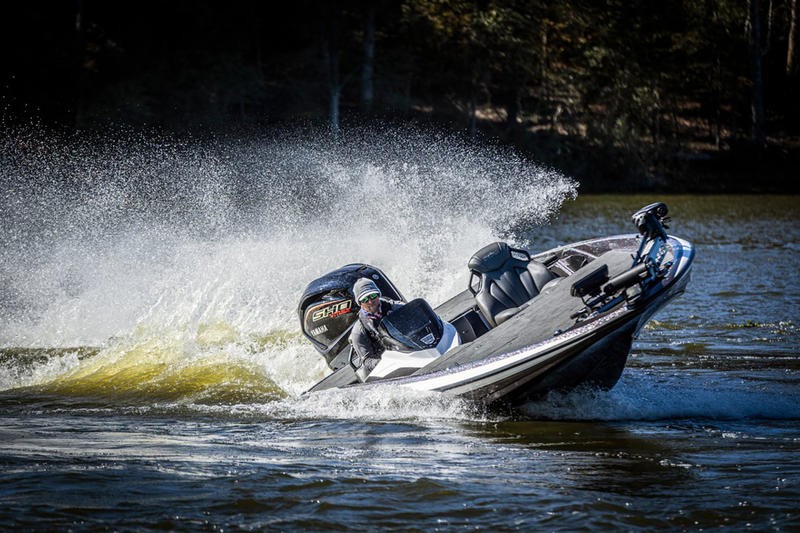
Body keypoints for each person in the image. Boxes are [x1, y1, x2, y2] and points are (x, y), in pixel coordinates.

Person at [349, 277, 404, 381]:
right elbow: (367, 360)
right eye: (365, 299)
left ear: (378, 295)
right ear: (360, 303)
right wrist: (387, 362)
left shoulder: (398, 307)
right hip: (388, 366)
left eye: (372, 295)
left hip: (408, 351)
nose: (370, 301)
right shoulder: (358, 331)